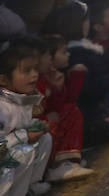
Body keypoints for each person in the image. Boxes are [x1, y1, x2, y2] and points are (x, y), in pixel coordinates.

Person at [0, 38, 53, 195]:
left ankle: (30, 187)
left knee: (45, 138)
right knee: (24, 151)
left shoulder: (20, 99)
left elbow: (20, 126)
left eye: (35, 69)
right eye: (27, 71)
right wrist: (25, 136)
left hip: (9, 153)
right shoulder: (2, 108)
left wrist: (37, 126)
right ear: (3, 79)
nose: (34, 75)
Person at [34, 38, 91, 183]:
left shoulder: (48, 77)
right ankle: (56, 166)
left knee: (70, 110)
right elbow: (39, 111)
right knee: (57, 118)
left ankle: (65, 162)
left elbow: (63, 104)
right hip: (33, 129)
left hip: (43, 123)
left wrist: (58, 87)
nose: (68, 55)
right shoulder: (36, 81)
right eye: (48, 56)